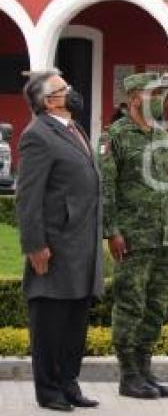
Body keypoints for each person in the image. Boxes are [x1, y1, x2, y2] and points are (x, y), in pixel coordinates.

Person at [16, 70, 104, 411]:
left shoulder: (72, 128)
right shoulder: (37, 134)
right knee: (50, 324)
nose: (71, 91)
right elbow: (29, 196)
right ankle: (48, 390)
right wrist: (34, 244)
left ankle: (69, 383)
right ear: (49, 100)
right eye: (63, 87)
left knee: (74, 322)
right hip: (55, 247)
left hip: (82, 244)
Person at [100, 73, 168, 399]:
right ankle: (128, 375)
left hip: (164, 237)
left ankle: (145, 368)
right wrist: (113, 231)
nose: (160, 99)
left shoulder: (163, 135)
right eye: (154, 93)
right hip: (133, 237)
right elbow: (106, 188)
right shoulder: (116, 136)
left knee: (156, 306)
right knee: (130, 305)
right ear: (135, 97)